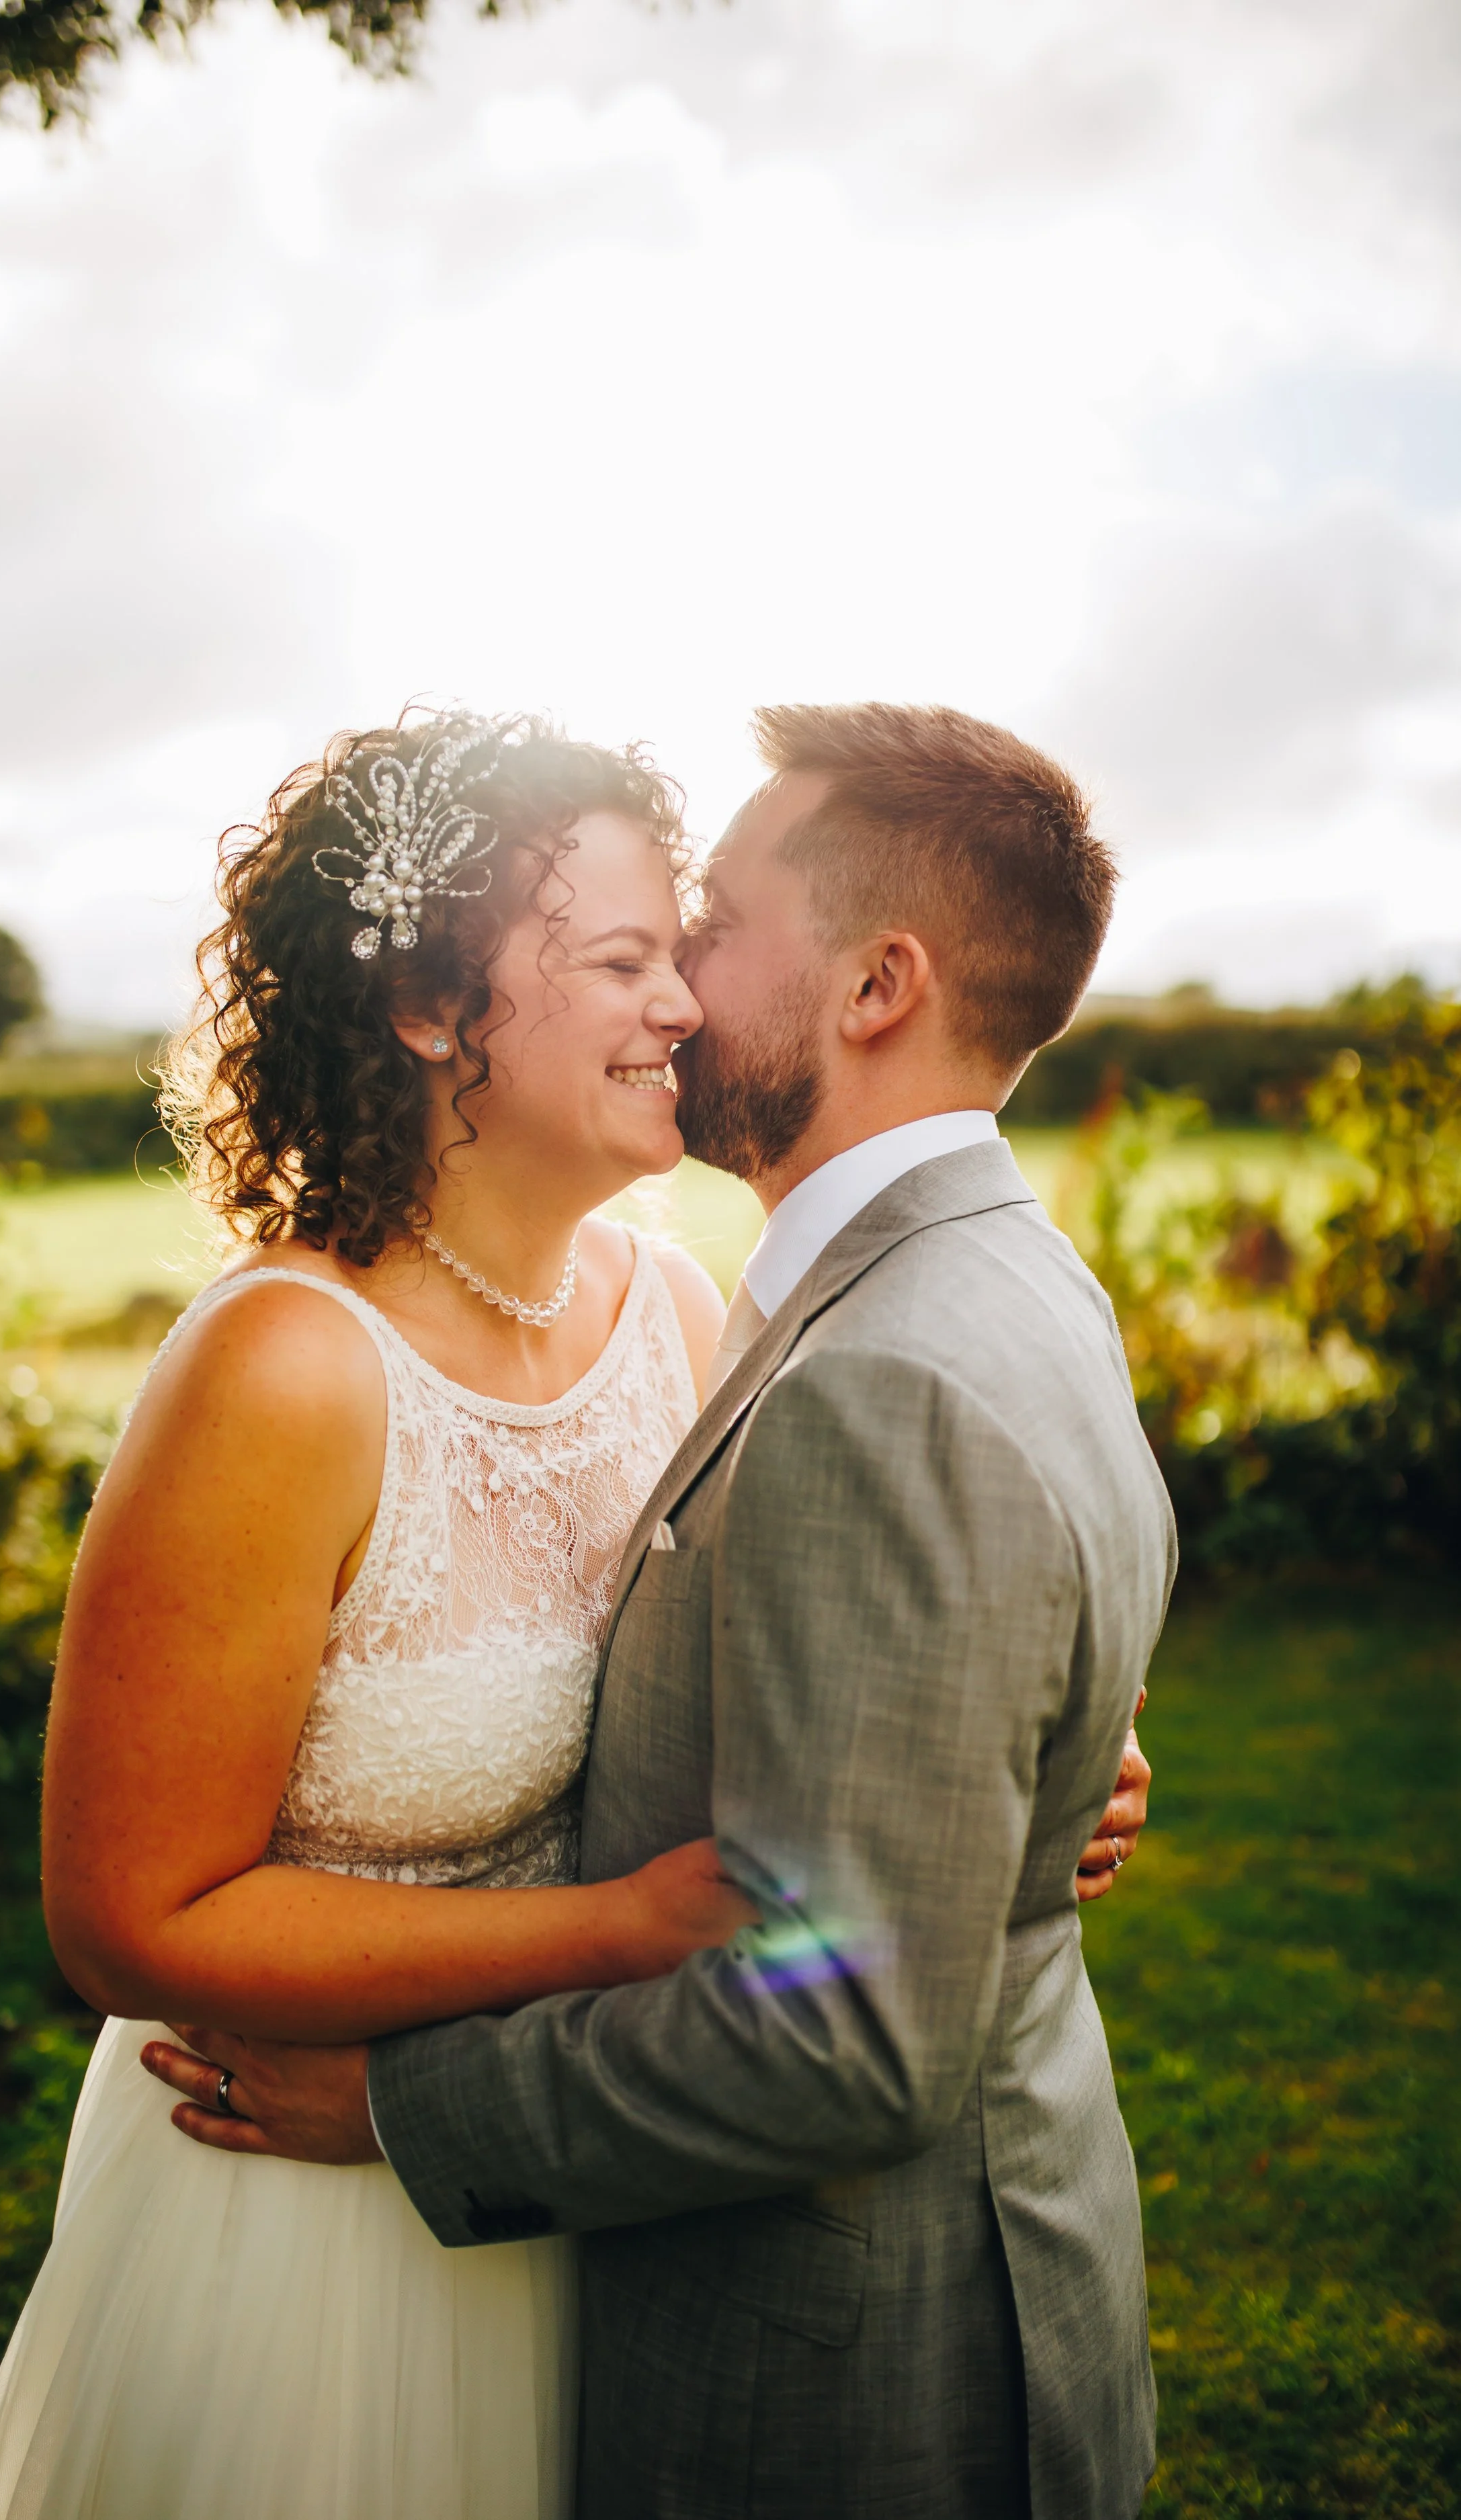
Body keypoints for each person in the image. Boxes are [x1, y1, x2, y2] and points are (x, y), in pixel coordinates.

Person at [145, 702, 1173, 2520]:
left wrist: (1017, 1765)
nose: (685, 997)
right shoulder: (298, 1365)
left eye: (698, 935)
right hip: (341, 2232)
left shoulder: (712, 1313)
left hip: (635, 2209)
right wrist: (643, 1917)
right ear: (432, 1006)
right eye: (633, 951)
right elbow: (132, 1900)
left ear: (874, 986)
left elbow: (849, 1942)